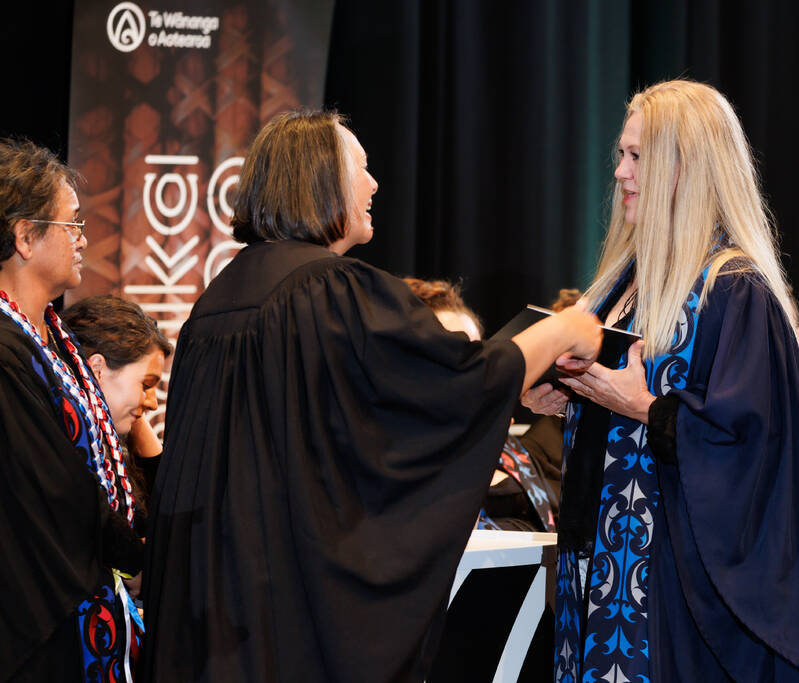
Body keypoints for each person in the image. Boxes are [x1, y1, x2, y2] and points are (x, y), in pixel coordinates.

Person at [140, 110, 601, 683]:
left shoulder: (216, 302)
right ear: (321, 180)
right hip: (286, 612)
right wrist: (561, 331)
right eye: (361, 167)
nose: (375, 184)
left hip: (210, 605)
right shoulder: (329, 290)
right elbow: (449, 388)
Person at [523, 79, 799, 681]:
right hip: (596, 568)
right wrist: (563, 396)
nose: (620, 172)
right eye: (621, 154)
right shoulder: (622, 282)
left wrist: (648, 410)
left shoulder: (735, 290)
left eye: (638, 157)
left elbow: (751, 447)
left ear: (689, 168)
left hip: (672, 589)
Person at [0, 138, 143, 681]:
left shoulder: (56, 338)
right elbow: (54, 491)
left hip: (87, 597)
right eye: (72, 225)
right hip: (42, 619)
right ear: (25, 237)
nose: (84, 239)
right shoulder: (6, 350)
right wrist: (138, 549)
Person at [403, 276, 560, 531]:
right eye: (453, 355)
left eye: (476, 356)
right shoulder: (394, 456)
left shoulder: (521, 451)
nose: (469, 371)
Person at [62, 294, 173, 531]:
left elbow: (162, 501)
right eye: (146, 384)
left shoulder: (106, 447)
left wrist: (135, 411)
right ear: (98, 369)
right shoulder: (70, 456)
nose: (153, 404)